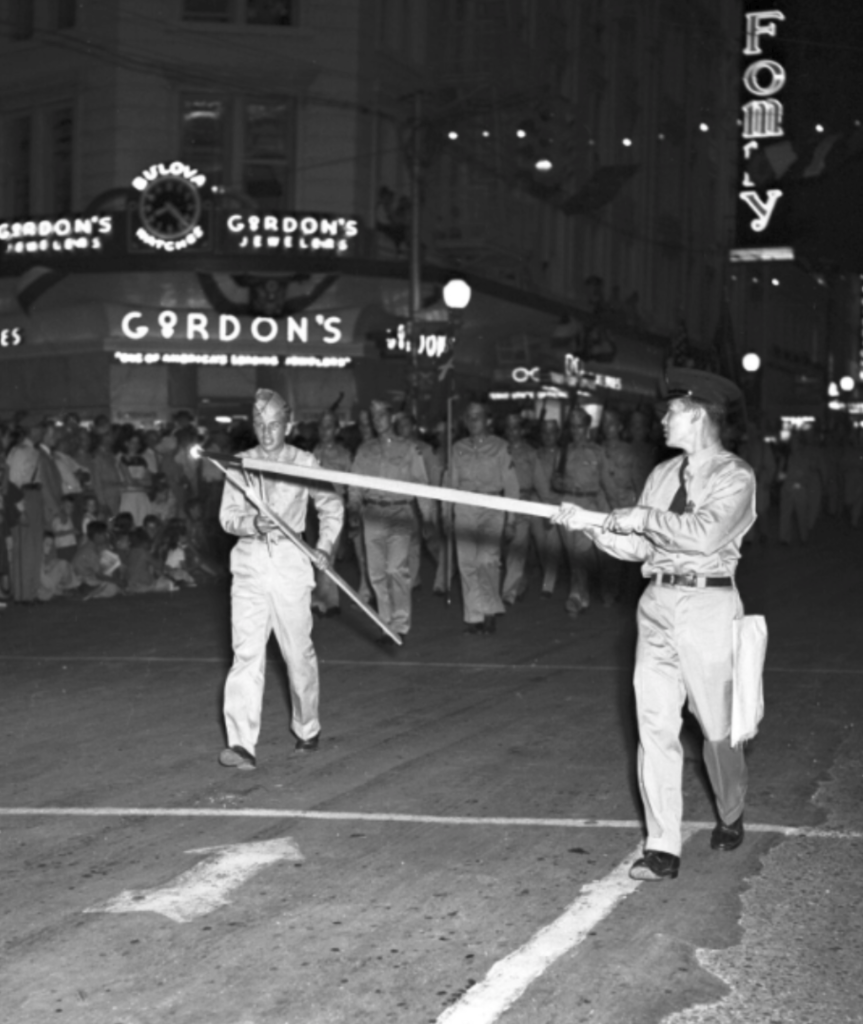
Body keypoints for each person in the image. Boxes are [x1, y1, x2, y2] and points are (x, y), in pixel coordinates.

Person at [553, 368, 757, 882]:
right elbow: (640, 545)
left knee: (716, 728)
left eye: (671, 412)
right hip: (657, 603)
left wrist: (640, 519)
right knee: (655, 724)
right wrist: (591, 524)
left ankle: (731, 810)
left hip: (708, 606)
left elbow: (704, 535)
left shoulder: (736, 476)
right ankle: (662, 845)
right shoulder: (662, 475)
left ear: (697, 415)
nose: (662, 419)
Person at [218, 388, 343, 771]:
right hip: (250, 566)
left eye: (274, 425)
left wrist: (323, 545)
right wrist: (250, 523)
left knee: (297, 654)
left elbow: (331, 505)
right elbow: (227, 517)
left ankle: (307, 727)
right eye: (259, 425)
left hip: (291, 566)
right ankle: (241, 745)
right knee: (246, 655)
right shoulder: (238, 464)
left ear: (287, 425)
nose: (267, 432)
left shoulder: (304, 462)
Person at [349, 400, 432, 644]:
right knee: (376, 573)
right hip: (373, 512)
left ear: (391, 417)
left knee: (396, 568)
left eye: (382, 416)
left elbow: (421, 484)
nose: (378, 421)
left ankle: (401, 622)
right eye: (373, 418)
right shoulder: (365, 450)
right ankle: (385, 623)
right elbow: (354, 483)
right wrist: (353, 507)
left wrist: (427, 517)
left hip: (399, 512)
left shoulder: (408, 448)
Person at [447, 401, 520, 634]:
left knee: (486, 560)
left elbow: (511, 486)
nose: (472, 421)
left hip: (491, 506)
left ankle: (489, 611)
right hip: (465, 506)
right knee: (467, 562)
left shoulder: (500, 447)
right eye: (469, 417)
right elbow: (449, 483)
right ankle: (474, 616)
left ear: (488, 420)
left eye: (477, 417)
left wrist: (511, 520)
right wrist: (446, 513)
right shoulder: (457, 448)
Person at [552, 407, 608, 617]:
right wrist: (558, 482)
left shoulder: (597, 452)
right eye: (572, 427)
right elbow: (554, 481)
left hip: (589, 505)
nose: (576, 431)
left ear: (587, 427)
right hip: (568, 503)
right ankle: (581, 595)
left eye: (580, 426)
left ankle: (575, 595)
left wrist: (610, 511)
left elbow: (606, 483)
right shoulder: (563, 451)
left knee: (581, 553)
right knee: (573, 555)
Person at [500, 412, 553, 605]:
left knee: (517, 547)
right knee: (508, 549)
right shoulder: (500, 450)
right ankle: (517, 584)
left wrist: (548, 508)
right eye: (509, 428)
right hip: (503, 502)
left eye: (516, 428)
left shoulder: (530, 453)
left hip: (524, 501)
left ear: (521, 430)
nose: (512, 432)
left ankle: (509, 593)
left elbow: (540, 481)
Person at [311, 410, 352, 616]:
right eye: (321, 427)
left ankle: (324, 600)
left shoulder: (344, 455)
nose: (323, 431)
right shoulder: (313, 453)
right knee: (319, 553)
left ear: (336, 430)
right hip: (316, 509)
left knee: (329, 553)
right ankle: (326, 600)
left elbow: (351, 483)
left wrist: (353, 506)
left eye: (328, 427)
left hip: (335, 510)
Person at [531, 418, 564, 597]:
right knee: (541, 542)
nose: (548, 436)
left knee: (553, 544)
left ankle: (548, 584)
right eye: (545, 432)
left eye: (552, 432)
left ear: (558, 434)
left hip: (557, 503)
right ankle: (547, 574)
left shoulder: (564, 454)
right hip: (538, 503)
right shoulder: (536, 454)